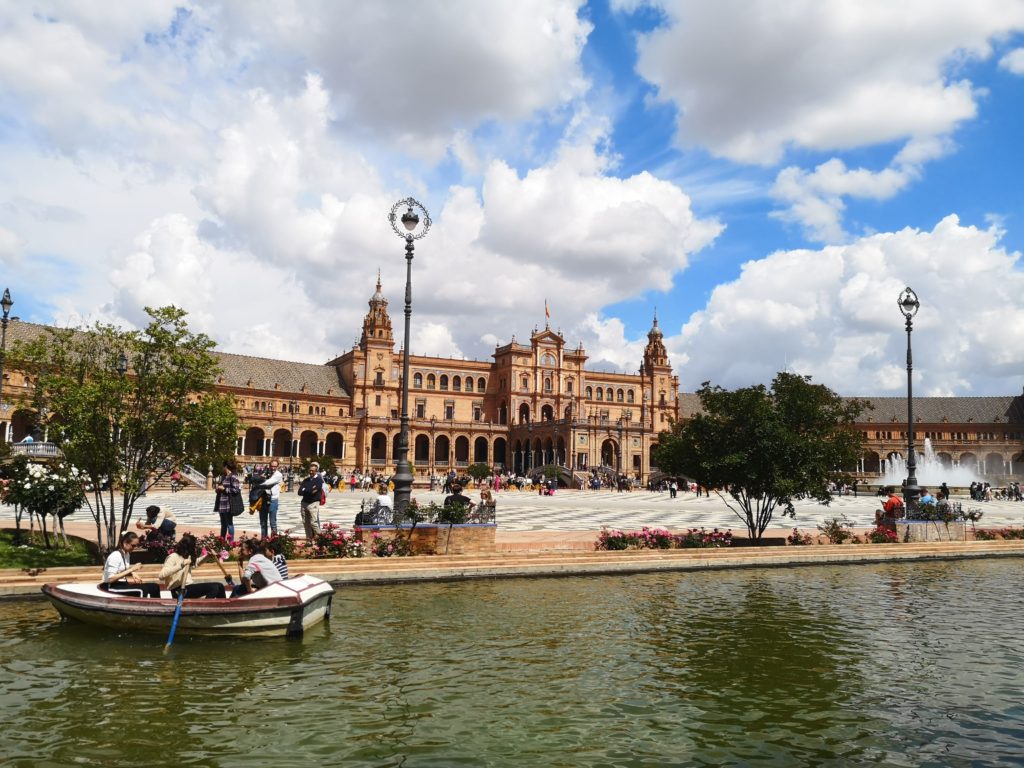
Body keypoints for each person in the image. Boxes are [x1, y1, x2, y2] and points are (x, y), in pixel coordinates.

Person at [158, 534, 227, 599]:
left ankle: (224, 608)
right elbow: (161, 575)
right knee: (214, 587)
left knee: (220, 586)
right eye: (193, 546)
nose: (195, 548)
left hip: (188, 587)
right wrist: (180, 565)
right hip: (179, 590)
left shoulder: (186, 556)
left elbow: (194, 563)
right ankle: (205, 607)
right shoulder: (173, 557)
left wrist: (208, 557)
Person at [103, 532, 160, 598]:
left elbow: (121, 571)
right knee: (142, 589)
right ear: (125, 543)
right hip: (112, 587)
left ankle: (157, 605)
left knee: (154, 586)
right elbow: (110, 579)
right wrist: (132, 569)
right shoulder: (115, 556)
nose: (135, 548)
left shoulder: (127, 554)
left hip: (123, 584)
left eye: (136, 545)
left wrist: (132, 573)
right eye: (133, 545)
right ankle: (141, 607)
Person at [215, 459, 242, 540]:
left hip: (228, 504)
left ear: (226, 466)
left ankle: (231, 542)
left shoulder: (233, 477)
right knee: (223, 524)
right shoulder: (223, 477)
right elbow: (221, 487)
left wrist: (224, 489)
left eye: (223, 466)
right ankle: (221, 541)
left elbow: (236, 490)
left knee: (229, 524)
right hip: (221, 503)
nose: (222, 468)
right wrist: (218, 489)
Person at [297, 462, 324, 540]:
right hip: (304, 503)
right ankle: (308, 539)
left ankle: (321, 538)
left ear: (316, 471)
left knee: (313, 522)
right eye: (310, 470)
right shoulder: (306, 480)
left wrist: (305, 490)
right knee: (306, 523)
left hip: (313, 503)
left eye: (313, 471)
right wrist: (308, 490)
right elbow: (299, 492)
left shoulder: (318, 480)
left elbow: (314, 491)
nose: (311, 472)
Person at [257, 459, 283, 538]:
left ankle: (273, 541)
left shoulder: (278, 475)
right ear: (269, 466)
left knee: (272, 522)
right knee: (263, 522)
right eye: (272, 466)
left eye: (275, 466)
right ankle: (263, 540)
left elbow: (268, 482)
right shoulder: (266, 473)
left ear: (278, 466)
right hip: (263, 499)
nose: (273, 468)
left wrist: (259, 480)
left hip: (273, 500)